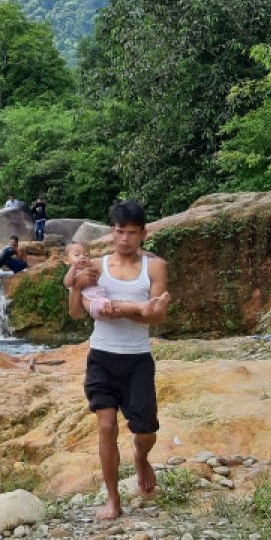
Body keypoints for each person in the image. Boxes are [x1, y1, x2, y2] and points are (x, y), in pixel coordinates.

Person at [68, 200, 170, 521]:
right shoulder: (96, 266)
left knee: (144, 431)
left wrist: (129, 310)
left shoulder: (154, 267)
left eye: (131, 233)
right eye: (118, 232)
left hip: (138, 360)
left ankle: (141, 457)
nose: (124, 239)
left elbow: (156, 318)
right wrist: (75, 288)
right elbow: (76, 312)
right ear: (111, 231)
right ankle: (113, 500)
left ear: (143, 233)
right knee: (107, 426)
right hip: (102, 357)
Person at [64, 243, 170, 321]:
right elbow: (68, 284)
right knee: (116, 304)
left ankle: (142, 307)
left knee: (119, 304)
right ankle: (141, 307)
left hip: (102, 301)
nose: (82, 257)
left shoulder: (91, 266)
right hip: (95, 304)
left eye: (86, 255)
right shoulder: (76, 273)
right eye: (77, 255)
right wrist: (76, 281)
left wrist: (150, 257)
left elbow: (159, 318)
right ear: (66, 260)